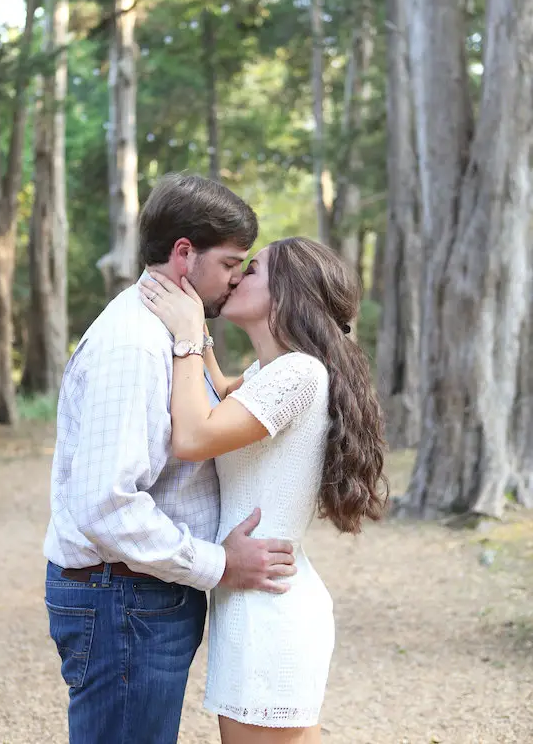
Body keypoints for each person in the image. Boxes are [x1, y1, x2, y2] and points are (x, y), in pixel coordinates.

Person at [44, 174, 297, 744]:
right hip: (124, 597)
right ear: (185, 254)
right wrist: (216, 563)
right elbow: (105, 505)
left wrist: (200, 342)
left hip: (140, 595)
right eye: (232, 262)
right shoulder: (135, 343)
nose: (236, 279)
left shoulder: (168, 334)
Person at [140, 236, 388, 744]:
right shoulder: (270, 373)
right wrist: (199, 337)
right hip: (254, 596)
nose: (235, 277)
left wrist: (189, 332)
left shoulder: (297, 373)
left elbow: (193, 436)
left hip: (270, 606)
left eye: (251, 271)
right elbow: (221, 391)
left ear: (287, 294)